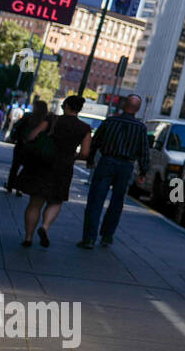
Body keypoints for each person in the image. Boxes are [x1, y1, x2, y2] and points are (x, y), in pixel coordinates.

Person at [15, 97, 92, 248]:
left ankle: (28, 238)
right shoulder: (85, 128)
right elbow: (84, 153)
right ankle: (45, 227)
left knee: (35, 202)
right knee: (56, 201)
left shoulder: (52, 119)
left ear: (67, 106)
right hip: (63, 167)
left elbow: (33, 135)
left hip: (43, 163)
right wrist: (73, 156)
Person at [78, 94, 149, 250]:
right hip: (126, 167)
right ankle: (107, 236)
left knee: (96, 200)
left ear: (124, 106)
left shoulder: (110, 121)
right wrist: (143, 172)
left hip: (107, 162)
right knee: (117, 203)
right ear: (137, 109)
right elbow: (144, 151)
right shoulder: (140, 128)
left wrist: (90, 161)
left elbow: (96, 142)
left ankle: (89, 238)